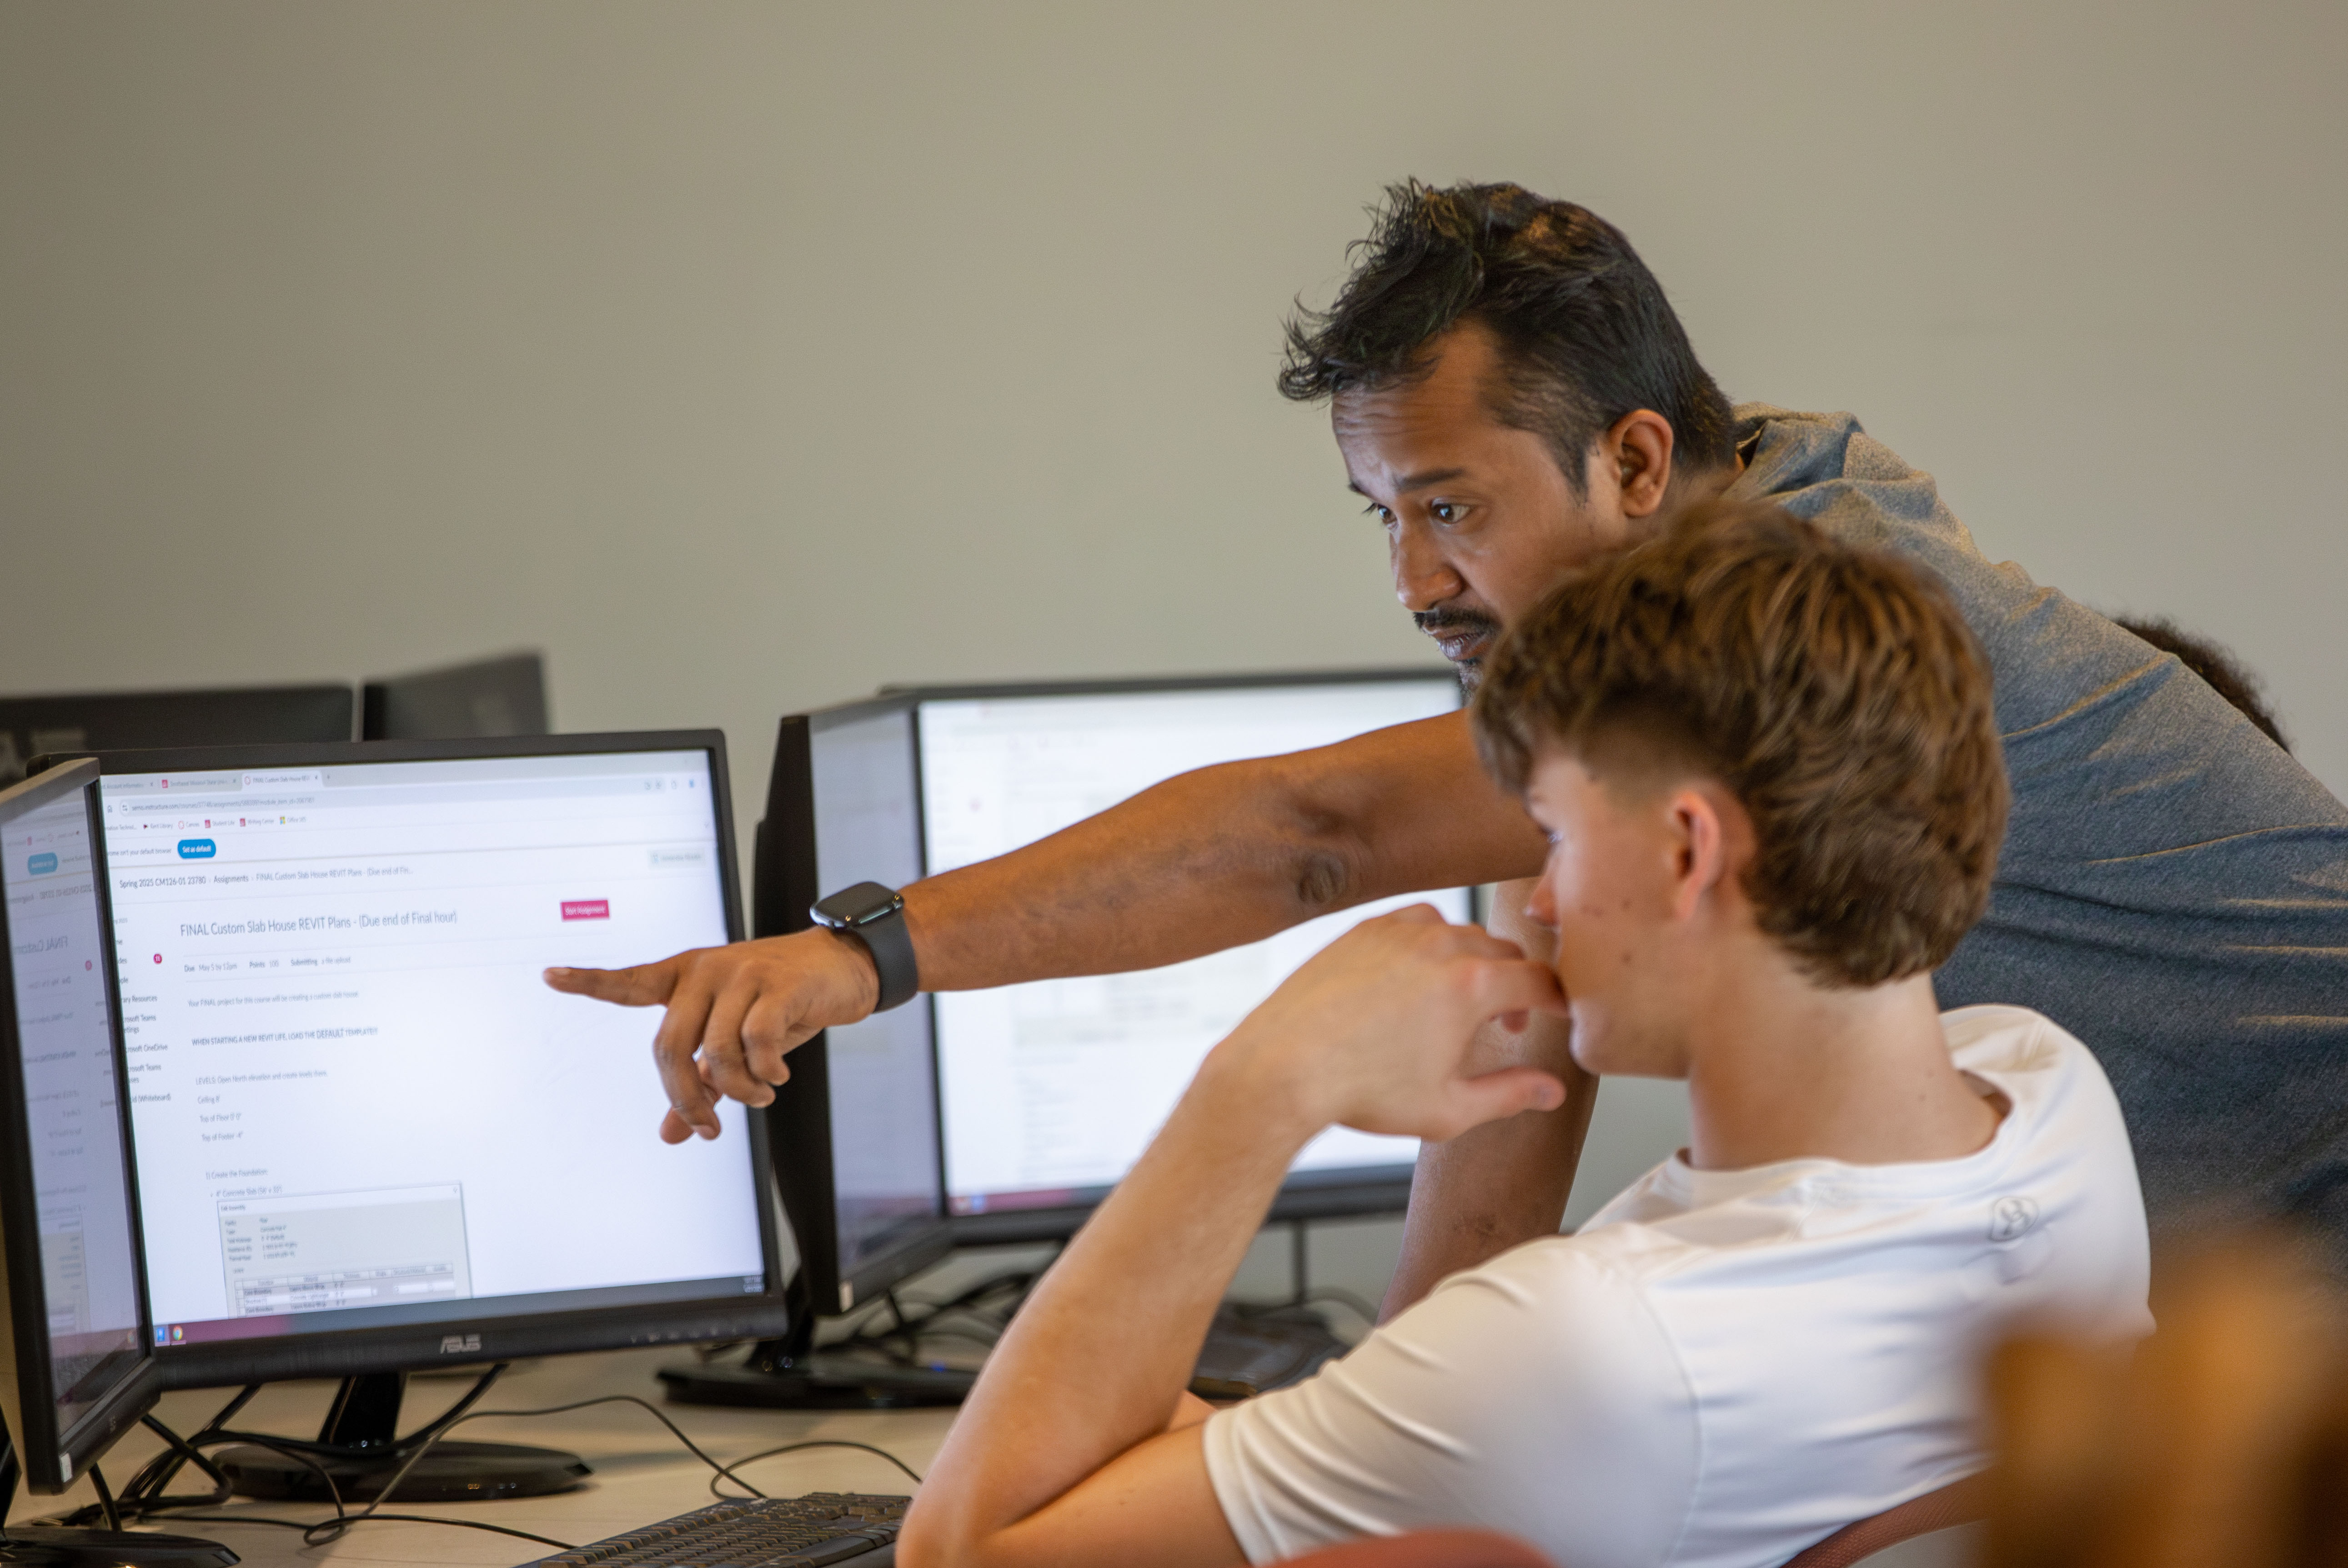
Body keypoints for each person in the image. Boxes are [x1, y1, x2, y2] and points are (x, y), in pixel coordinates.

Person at [547, 180, 2348, 1297]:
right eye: (1377, 517)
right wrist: (1391, 1413)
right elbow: (1527, 1029)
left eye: (1449, 508)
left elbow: (1316, 830)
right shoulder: (1701, 553)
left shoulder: (1786, 619)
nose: (1415, 580)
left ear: (1635, 461)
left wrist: (858, 953)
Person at [893, 503, 2152, 1568]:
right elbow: (1437, 1406)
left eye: (1550, 836)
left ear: (1683, 850)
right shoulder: (2043, 1101)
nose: (1538, 902)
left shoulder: (1591, 1353)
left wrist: (1263, 1080)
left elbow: (960, 1545)